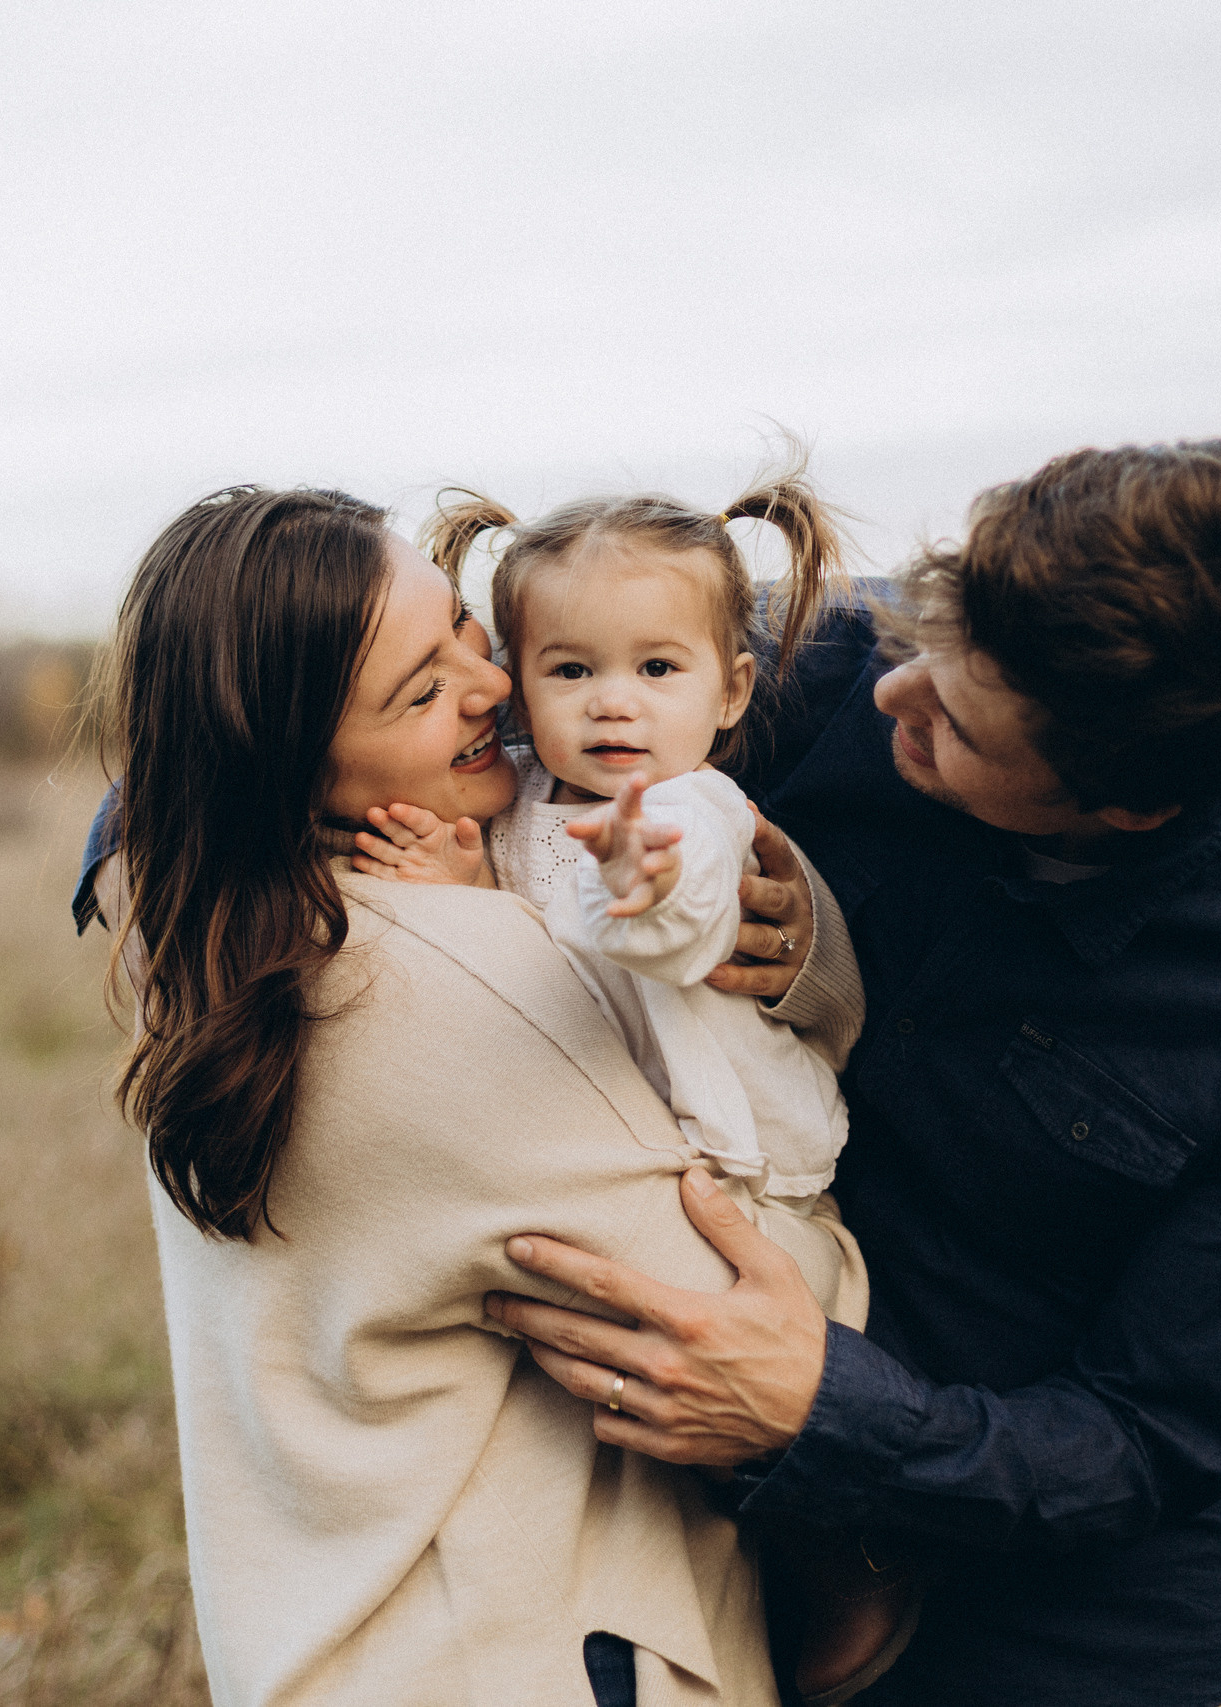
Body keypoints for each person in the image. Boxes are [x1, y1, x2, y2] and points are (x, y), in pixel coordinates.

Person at [485, 441, 1221, 1706]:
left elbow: (1149, 1439)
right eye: (924, 639)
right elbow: (363, 708)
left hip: (1080, 1640)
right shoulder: (808, 655)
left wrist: (819, 1407)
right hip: (707, 1572)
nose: (894, 700)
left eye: (958, 723)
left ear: (1126, 810)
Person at [69, 482, 874, 1707]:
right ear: (295, 764)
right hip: (543, 1652)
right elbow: (743, 1308)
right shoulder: (447, 970)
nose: (491, 683)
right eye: (420, 688)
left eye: (459, 625)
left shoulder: (219, 955)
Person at [346, 470, 916, 1700]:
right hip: (642, 1157)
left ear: (731, 691)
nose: (614, 705)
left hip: (748, 1182)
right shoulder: (518, 810)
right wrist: (466, 894)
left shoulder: (690, 810)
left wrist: (649, 888)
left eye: (657, 671)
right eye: (571, 671)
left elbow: (667, 928)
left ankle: (851, 1548)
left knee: (704, 1370)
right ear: (515, 676)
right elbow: (531, 988)